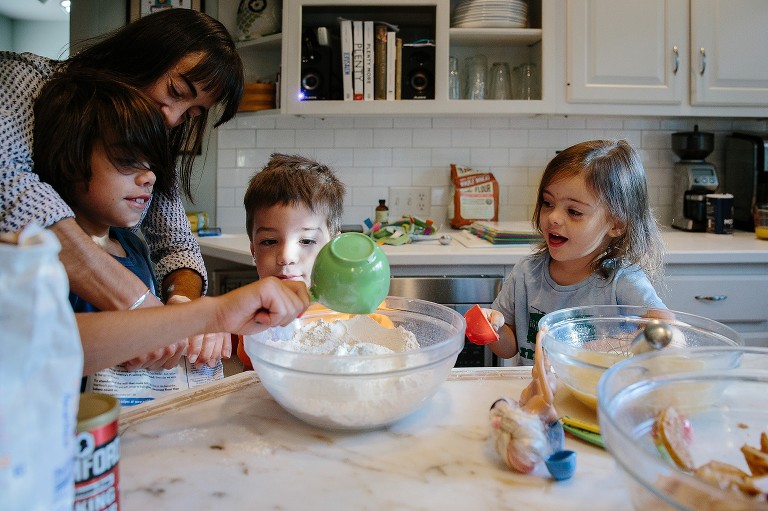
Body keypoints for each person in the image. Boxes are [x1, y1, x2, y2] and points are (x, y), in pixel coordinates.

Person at [0, 8, 243, 371]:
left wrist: (182, 308)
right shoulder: (23, 81)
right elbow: (10, 186)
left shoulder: (132, 240)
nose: (172, 118)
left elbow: (177, 244)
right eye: (176, 91)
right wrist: (141, 309)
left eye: (191, 114)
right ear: (144, 53)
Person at [32, 70, 231, 403]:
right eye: (127, 161)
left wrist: (198, 330)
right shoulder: (43, 259)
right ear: (69, 161)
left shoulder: (133, 247)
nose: (149, 177)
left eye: (151, 164)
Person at [480, 139, 666, 365]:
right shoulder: (527, 273)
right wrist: (493, 329)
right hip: (540, 385)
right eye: (548, 203)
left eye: (574, 212)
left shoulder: (622, 280)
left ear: (616, 224)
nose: (553, 217)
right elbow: (509, 349)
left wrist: (624, 342)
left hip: (597, 386)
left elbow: (667, 330)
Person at [237, 153, 346, 369]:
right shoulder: (249, 318)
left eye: (306, 241)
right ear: (253, 250)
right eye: (269, 241)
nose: (286, 257)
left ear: (333, 249)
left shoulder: (362, 318)